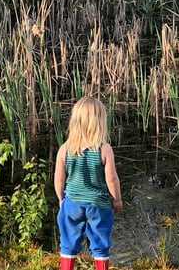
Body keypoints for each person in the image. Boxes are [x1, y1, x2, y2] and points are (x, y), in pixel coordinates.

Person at [55, 96, 123, 270]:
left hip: (72, 203)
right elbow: (112, 179)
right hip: (98, 204)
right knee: (100, 243)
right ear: (100, 122)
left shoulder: (65, 148)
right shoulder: (104, 149)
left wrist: (61, 198)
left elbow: (59, 179)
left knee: (68, 242)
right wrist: (116, 200)